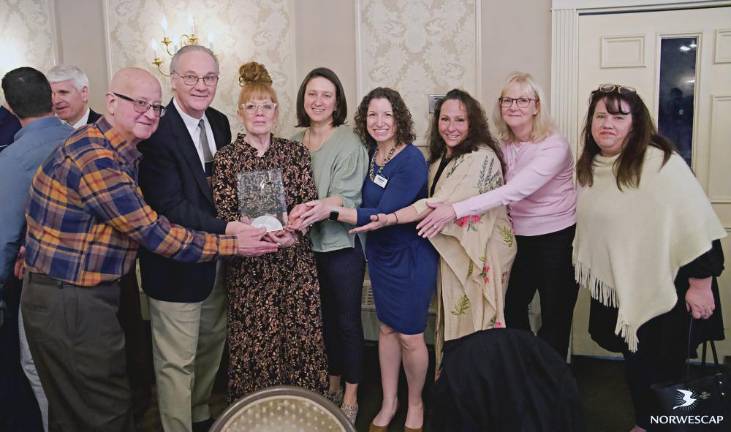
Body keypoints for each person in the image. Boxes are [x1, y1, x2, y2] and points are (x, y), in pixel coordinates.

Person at [20, 67, 274, 432]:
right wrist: (233, 243)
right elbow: (155, 232)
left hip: (79, 295)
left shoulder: (122, 151)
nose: (150, 114)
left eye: (155, 107)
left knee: (79, 410)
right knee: (104, 411)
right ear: (110, 102)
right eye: (139, 103)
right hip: (70, 301)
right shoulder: (97, 159)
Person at [573, 84, 726, 432]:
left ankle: (665, 426)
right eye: (600, 115)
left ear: (635, 123)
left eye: (618, 116)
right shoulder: (594, 166)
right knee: (636, 361)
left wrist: (700, 285)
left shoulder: (661, 164)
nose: (607, 123)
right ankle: (647, 422)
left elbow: (698, 228)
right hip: (628, 284)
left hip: (671, 285)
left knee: (667, 370)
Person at [351, 88, 517, 370]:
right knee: (453, 324)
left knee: (476, 327)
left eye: (460, 120)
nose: (451, 127)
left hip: (479, 254)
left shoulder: (481, 156)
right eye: (444, 119)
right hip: (450, 251)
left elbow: (434, 204)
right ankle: (453, 392)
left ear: (472, 123)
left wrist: (388, 218)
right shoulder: (440, 160)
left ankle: (478, 400)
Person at [417, 73, 578, 359]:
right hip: (517, 239)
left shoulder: (554, 146)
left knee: (555, 316)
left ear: (537, 106)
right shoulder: (503, 145)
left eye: (522, 100)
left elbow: (513, 191)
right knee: (511, 310)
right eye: (507, 100)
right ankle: (525, 370)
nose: (513, 106)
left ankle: (550, 384)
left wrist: (454, 210)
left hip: (555, 240)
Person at [306, 87, 437, 432]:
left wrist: (330, 211)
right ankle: (390, 400)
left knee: (410, 334)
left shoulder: (410, 160)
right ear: (365, 119)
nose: (379, 122)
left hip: (409, 256)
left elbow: (383, 213)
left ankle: (415, 402)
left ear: (399, 119)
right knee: (386, 328)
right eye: (373, 115)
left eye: (387, 115)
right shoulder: (368, 155)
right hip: (379, 255)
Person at [138, 45, 253, 432]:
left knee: (209, 349)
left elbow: (223, 190)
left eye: (209, 78)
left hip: (217, 264)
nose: (201, 86)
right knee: (176, 362)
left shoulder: (219, 123)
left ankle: (201, 415)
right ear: (173, 80)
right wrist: (231, 229)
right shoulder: (156, 130)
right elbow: (170, 205)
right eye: (191, 77)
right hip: (174, 267)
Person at [212, 61, 328, 400]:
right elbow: (223, 211)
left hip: (294, 266)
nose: (259, 113)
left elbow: (309, 203)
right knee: (254, 344)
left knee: (299, 340)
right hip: (250, 269)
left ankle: (303, 412)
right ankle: (256, 415)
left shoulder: (295, 153)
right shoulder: (227, 159)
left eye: (266, 106)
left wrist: (294, 228)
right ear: (240, 112)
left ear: (275, 112)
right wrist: (248, 231)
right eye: (251, 106)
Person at [288, 67, 368, 423]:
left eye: (326, 95)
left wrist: (310, 210)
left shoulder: (349, 141)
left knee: (346, 321)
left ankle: (351, 392)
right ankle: (330, 383)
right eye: (312, 94)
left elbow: (344, 196)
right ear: (303, 99)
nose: (318, 101)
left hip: (340, 248)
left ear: (337, 103)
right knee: (318, 321)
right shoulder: (292, 141)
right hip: (303, 249)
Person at [0, 67, 73, 432]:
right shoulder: (86, 140)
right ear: (51, 98)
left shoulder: (13, 160)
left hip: (41, 282)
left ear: (10, 107)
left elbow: (5, 237)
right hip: (97, 280)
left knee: (39, 369)